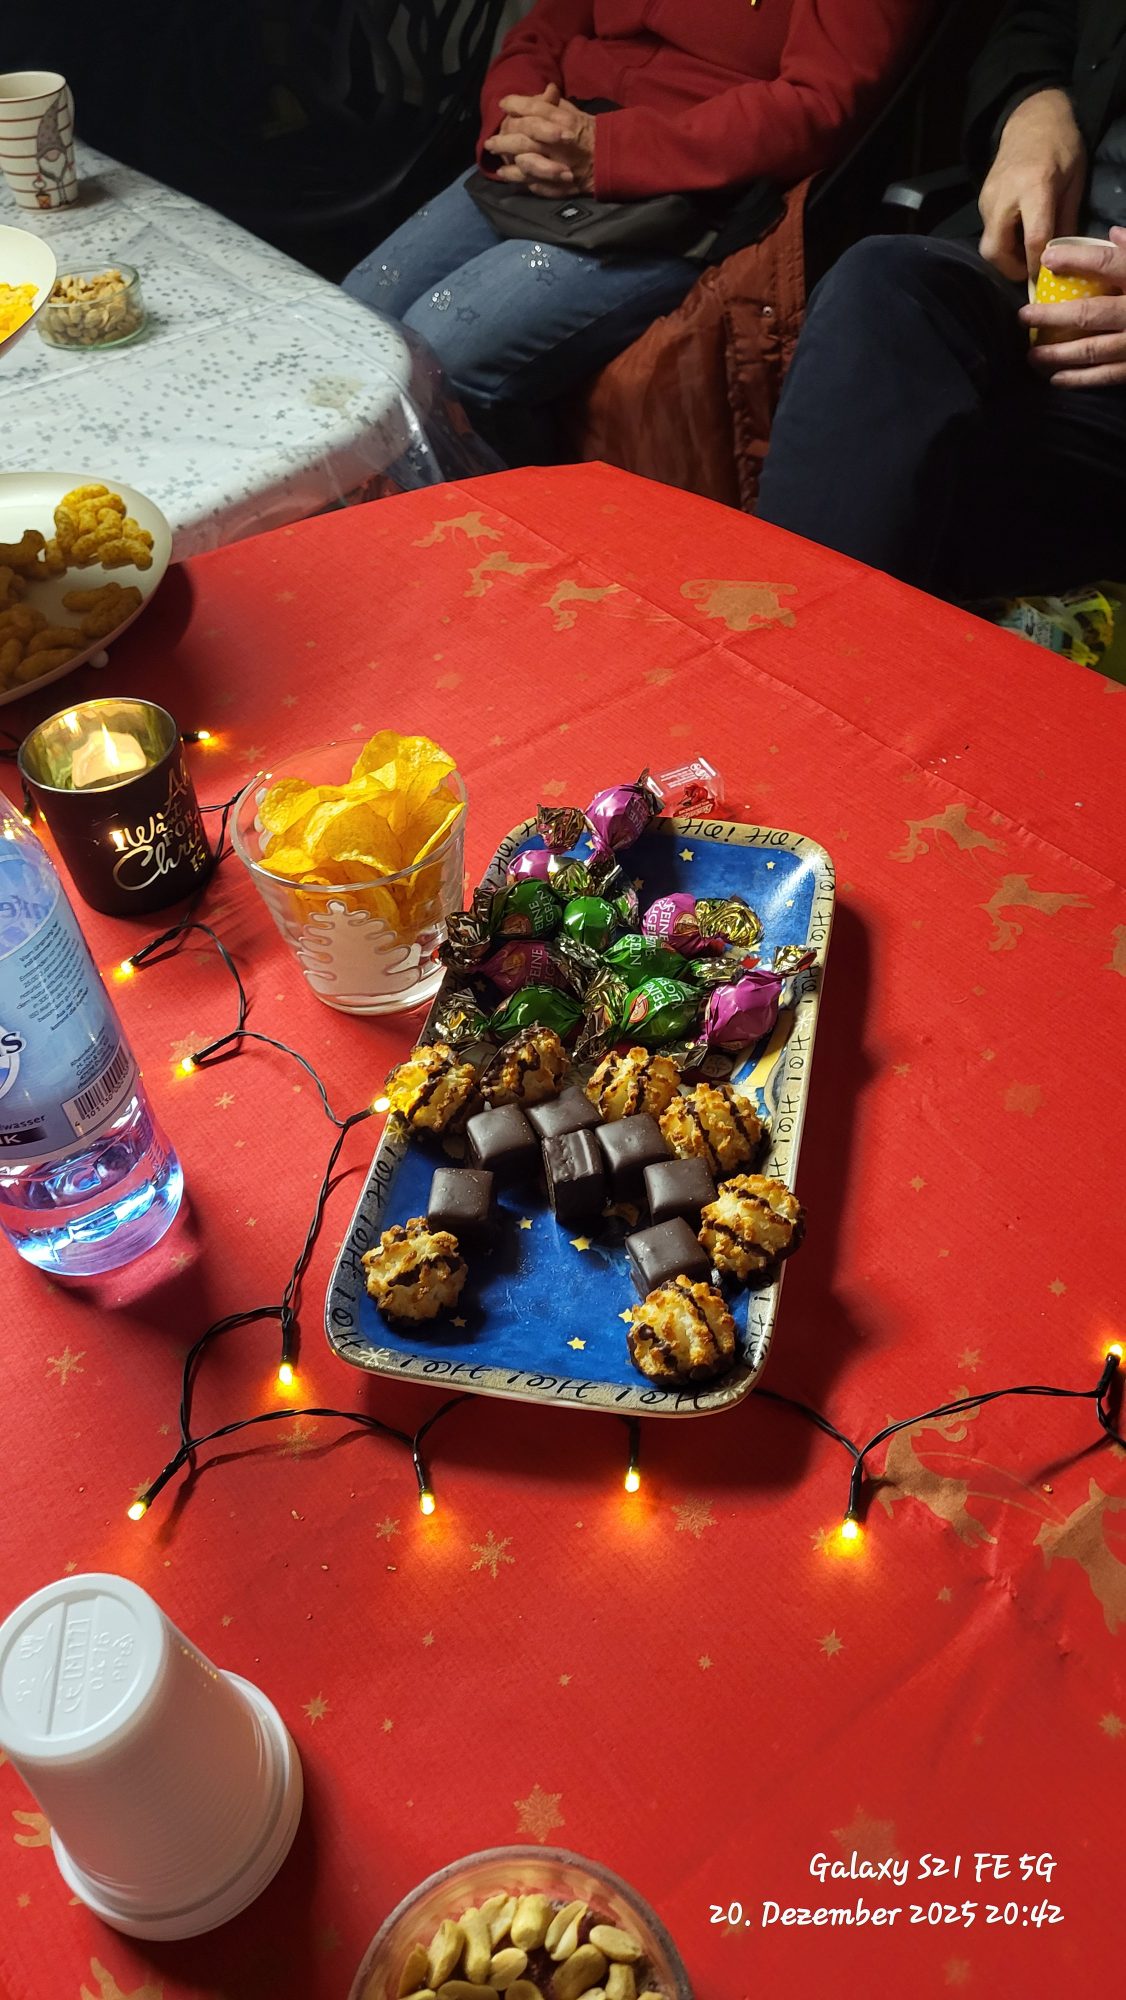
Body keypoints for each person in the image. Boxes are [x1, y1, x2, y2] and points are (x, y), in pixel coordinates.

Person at [343, 1, 923, 461]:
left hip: (685, 184)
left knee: (442, 354)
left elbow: (821, 105)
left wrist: (609, 151)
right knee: (351, 316)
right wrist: (516, 119)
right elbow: (542, 31)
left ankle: (502, 550)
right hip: (556, 137)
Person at [756, 0, 1126, 601]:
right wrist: (1032, 106)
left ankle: (812, 643)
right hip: (1043, 261)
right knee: (881, 284)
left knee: (924, 481)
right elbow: (1038, 20)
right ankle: (789, 646)